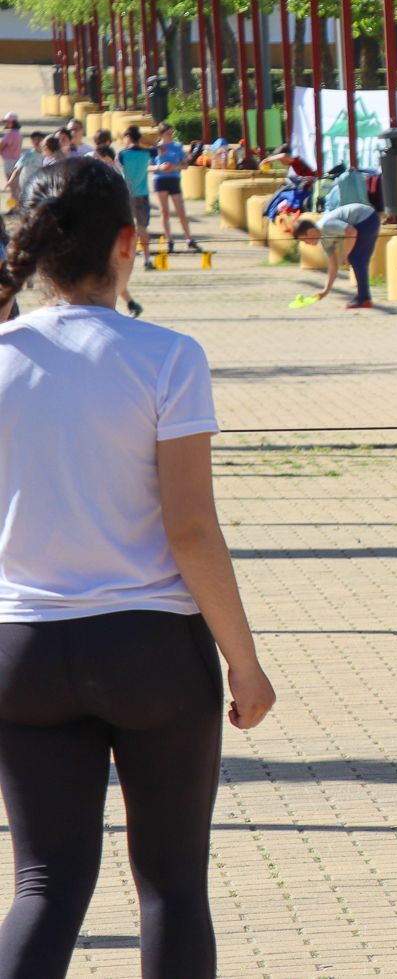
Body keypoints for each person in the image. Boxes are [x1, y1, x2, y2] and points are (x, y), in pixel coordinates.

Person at [0, 156, 277, 976]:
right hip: (151, 650)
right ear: (129, 241)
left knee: (43, 887)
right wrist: (244, 660)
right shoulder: (168, 355)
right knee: (172, 888)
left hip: (25, 650)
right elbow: (190, 529)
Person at [290, 202, 381, 309]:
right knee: (359, 260)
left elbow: (351, 232)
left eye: (304, 240)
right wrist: (325, 291)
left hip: (366, 218)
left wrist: (344, 255)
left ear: (310, 232)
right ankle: (364, 297)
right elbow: (333, 266)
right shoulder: (324, 241)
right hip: (368, 218)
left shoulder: (325, 225)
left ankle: (364, 298)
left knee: (356, 258)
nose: (307, 244)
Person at [150, 122, 194, 251]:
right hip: (160, 180)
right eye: (168, 133)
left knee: (181, 211)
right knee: (165, 212)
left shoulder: (177, 146)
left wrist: (174, 167)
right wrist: (160, 167)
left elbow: (185, 165)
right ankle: (169, 240)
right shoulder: (156, 149)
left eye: (171, 132)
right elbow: (148, 167)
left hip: (174, 179)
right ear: (162, 134)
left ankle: (189, 238)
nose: (170, 135)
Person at [114, 127, 153, 266]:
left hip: (127, 194)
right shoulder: (147, 153)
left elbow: (118, 168)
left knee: (126, 227)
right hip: (142, 194)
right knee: (142, 227)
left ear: (129, 137)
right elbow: (158, 148)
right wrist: (144, 141)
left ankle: (125, 258)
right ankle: (147, 258)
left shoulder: (122, 154)